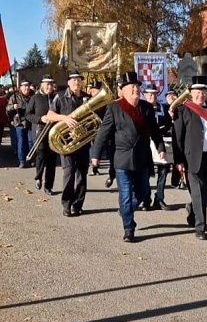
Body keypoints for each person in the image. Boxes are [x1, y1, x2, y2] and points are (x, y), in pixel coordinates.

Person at [91, 71, 166, 242]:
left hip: (142, 157)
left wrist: (160, 146)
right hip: (123, 158)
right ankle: (128, 228)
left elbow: (154, 130)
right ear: (123, 90)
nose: (136, 89)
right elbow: (103, 133)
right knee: (125, 195)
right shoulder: (114, 108)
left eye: (137, 86)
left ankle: (125, 211)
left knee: (144, 191)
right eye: (132, 87)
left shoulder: (146, 107)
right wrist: (95, 154)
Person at [173, 75, 207, 240]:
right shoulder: (183, 110)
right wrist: (179, 160)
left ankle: (193, 209)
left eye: (203, 92)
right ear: (191, 93)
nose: (200, 95)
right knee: (198, 192)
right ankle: (200, 228)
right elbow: (177, 137)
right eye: (197, 92)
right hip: (192, 159)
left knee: (206, 191)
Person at [46, 71, 90, 217]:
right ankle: (66, 204)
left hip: (83, 142)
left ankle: (77, 205)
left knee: (82, 174)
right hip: (67, 142)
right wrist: (64, 118)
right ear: (68, 83)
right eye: (74, 80)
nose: (77, 82)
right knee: (69, 172)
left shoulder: (87, 97)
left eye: (79, 80)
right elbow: (50, 115)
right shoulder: (60, 96)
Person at [142, 82, 174, 210]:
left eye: (155, 94)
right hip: (146, 143)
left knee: (164, 171)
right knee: (145, 172)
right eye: (150, 94)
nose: (152, 97)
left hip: (161, 142)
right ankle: (146, 199)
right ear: (145, 95)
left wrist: (170, 120)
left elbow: (170, 124)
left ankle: (159, 198)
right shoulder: (141, 108)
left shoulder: (164, 108)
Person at [25, 75, 57, 195]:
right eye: (47, 84)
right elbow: (28, 115)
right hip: (39, 131)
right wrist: (40, 119)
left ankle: (48, 186)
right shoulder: (35, 98)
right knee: (41, 156)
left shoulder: (56, 98)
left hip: (54, 133)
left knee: (52, 161)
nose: (49, 87)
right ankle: (38, 177)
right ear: (42, 85)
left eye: (51, 84)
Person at [6, 80, 33, 167]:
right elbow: (7, 108)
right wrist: (13, 107)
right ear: (20, 87)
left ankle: (30, 158)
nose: (26, 88)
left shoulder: (33, 97)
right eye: (24, 86)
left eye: (28, 85)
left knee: (31, 141)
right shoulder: (15, 97)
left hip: (30, 122)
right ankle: (21, 160)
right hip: (19, 122)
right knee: (21, 141)